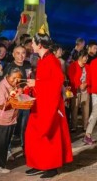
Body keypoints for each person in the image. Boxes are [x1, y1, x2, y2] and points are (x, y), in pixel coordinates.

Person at [24, 30, 73, 179]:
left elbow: (57, 83)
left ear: (40, 44)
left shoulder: (51, 60)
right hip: (40, 103)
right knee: (33, 134)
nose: (31, 45)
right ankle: (38, 163)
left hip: (50, 105)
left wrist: (36, 83)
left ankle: (51, 166)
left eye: (33, 42)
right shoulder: (42, 60)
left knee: (49, 135)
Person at [0, 67, 22, 174]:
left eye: (18, 79)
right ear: (7, 76)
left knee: (3, 142)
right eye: (14, 78)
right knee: (0, 143)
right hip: (1, 119)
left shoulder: (15, 85)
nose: (16, 81)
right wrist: (15, 98)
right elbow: (1, 106)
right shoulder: (2, 86)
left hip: (10, 118)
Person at [4, 45, 33, 149]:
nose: (21, 56)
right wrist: (16, 90)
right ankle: (7, 149)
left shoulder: (28, 65)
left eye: (23, 53)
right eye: (18, 53)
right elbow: (5, 85)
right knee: (11, 126)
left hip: (26, 100)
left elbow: (31, 79)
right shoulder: (9, 67)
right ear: (13, 54)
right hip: (14, 101)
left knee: (25, 125)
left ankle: (25, 147)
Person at [66, 49, 90, 133]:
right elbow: (72, 77)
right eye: (84, 57)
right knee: (74, 108)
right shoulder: (73, 65)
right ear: (80, 57)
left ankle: (85, 126)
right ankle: (74, 126)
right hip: (75, 89)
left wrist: (86, 84)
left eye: (87, 57)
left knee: (85, 108)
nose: (86, 58)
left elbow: (90, 77)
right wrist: (79, 85)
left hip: (85, 89)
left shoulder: (88, 66)